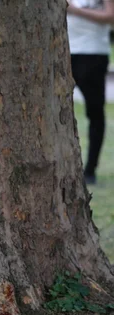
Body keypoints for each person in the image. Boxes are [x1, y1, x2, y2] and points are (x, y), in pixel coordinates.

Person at [67, 1, 114, 184]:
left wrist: (77, 11)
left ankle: (90, 170)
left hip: (92, 53)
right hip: (65, 51)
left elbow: (111, 16)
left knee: (94, 112)